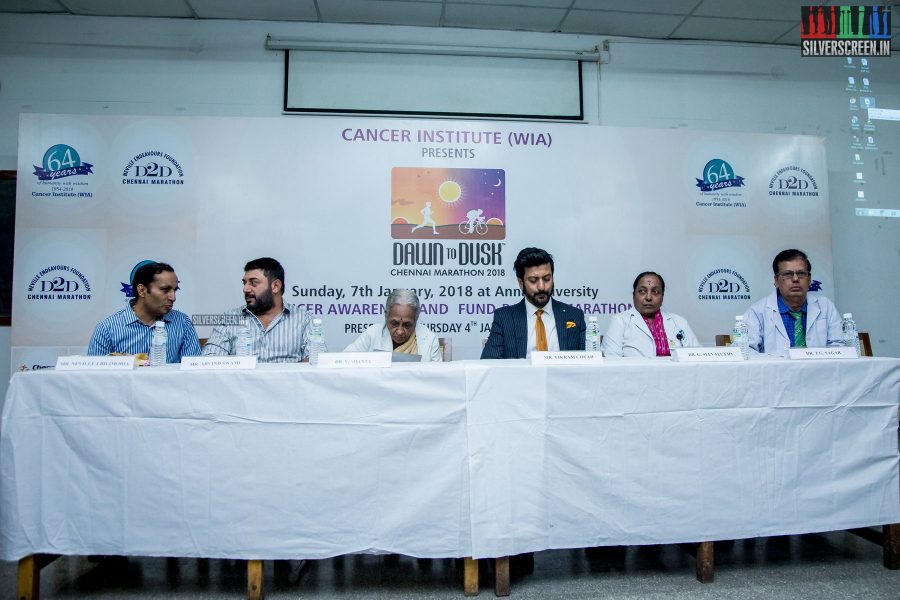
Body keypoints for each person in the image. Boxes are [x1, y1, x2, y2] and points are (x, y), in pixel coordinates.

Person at [202, 257, 319, 362]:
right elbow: (209, 361)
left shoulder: (304, 319)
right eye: (244, 283)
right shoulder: (229, 319)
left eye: (253, 283)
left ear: (275, 286)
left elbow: (316, 363)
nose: (245, 289)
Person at [481, 247, 586, 359]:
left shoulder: (574, 316)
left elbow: (590, 363)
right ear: (521, 283)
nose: (541, 287)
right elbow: (489, 362)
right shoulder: (504, 318)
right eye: (533, 280)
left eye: (547, 279)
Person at [87, 261, 200, 361]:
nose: (173, 297)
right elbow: (93, 377)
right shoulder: (107, 329)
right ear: (142, 290)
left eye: (175, 290)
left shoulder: (183, 323)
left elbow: (193, 372)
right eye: (165, 290)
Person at [744, 248, 843, 354]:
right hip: (775, 370)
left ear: (809, 280)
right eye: (787, 274)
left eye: (801, 273)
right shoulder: (757, 312)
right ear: (776, 281)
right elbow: (747, 351)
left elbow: (840, 346)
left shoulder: (825, 306)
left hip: (820, 370)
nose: (795, 279)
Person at [601, 271, 699, 357]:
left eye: (655, 292)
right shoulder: (620, 321)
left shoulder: (679, 322)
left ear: (662, 296)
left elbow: (698, 355)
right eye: (642, 291)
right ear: (634, 295)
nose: (648, 297)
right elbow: (611, 359)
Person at [344, 288, 442, 361]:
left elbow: (437, 378)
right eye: (394, 323)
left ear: (416, 319)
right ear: (386, 316)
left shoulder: (430, 339)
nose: (400, 331)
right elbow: (346, 359)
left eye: (407, 325)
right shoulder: (372, 334)